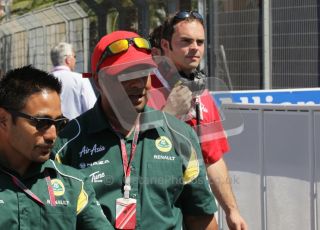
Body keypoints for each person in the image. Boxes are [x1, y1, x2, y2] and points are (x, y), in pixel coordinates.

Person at [53, 30, 218, 229]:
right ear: (99, 81)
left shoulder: (181, 135)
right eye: (126, 76)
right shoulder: (67, 143)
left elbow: (200, 217)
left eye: (143, 73)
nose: (138, 84)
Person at [149, 11, 248, 230]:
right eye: (185, 41)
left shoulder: (201, 92)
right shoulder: (141, 88)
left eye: (200, 42)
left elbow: (212, 158)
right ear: (166, 45)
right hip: (152, 208)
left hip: (195, 206)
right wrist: (169, 113)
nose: (195, 48)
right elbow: (131, 155)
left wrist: (232, 211)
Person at [0, 65, 113, 229]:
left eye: (59, 124)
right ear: (4, 120)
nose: (52, 135)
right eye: (41, 123)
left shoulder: (74, 185)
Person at [50, 42, 97, 119]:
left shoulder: (43, 81)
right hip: (77, 129)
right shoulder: (81, 78)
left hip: (52, 129)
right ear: (68, 60)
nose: (75, 60)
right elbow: (92, 109)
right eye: (74, 56)